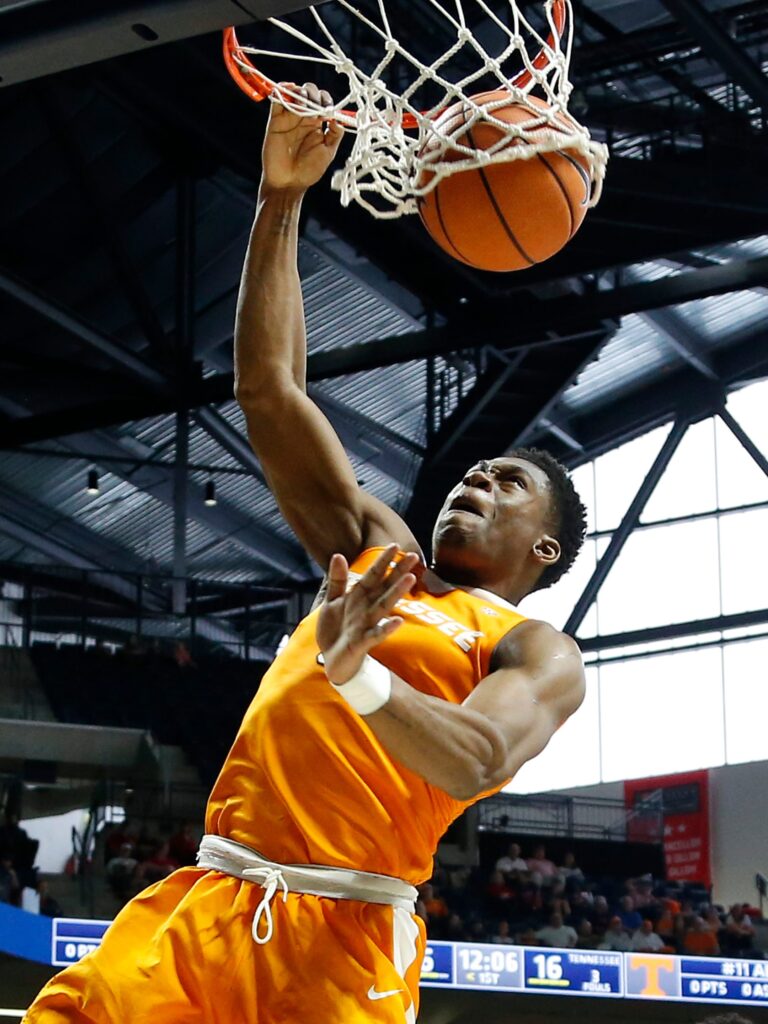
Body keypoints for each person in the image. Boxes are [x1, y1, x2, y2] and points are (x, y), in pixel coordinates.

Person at [25, 85, 587, 1024]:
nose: (473, 485)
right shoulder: (381, 556)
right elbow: (271, 389)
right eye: (472, 473)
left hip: (344, 936)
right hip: (209, 903)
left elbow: (478, 757)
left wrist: (356, 672)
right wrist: (278, 198)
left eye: (505, 485)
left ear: (545, 545)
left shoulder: (535, 649)